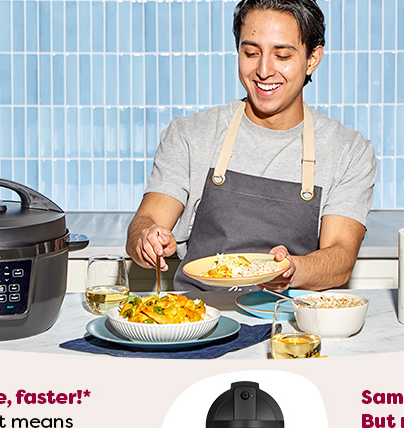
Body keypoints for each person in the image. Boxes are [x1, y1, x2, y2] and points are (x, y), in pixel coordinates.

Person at [125, 0, 377, 292]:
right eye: (250, 53)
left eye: (282, 55)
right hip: (199, 319)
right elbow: (146, 221)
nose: (264, 70)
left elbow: (340, 259)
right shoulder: (189, 134)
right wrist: (146, 238)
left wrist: (292, 270)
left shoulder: (349, 151)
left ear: (312, 59)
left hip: (289, 324)